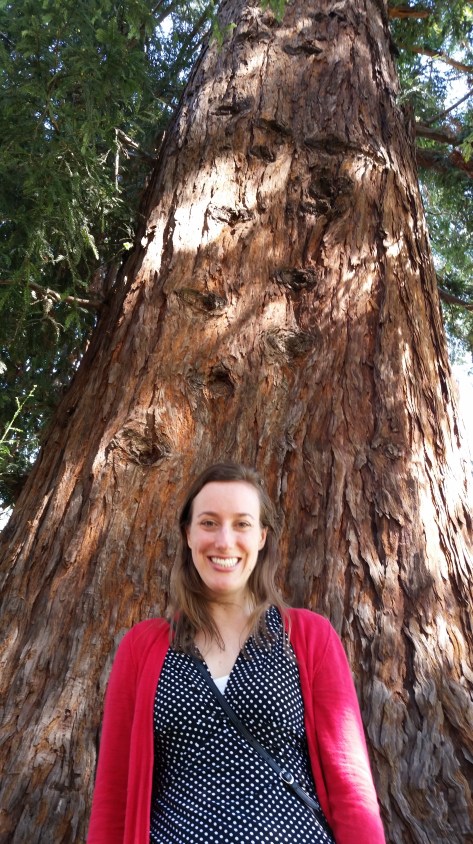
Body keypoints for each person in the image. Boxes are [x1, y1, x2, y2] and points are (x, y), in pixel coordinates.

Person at [87, 462, 386, 844]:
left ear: (261, 536)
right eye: (209, 523)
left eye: (242, 523)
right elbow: (113, 795)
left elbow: (351, 787)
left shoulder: (308, 636)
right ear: (188, 534)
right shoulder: (142, 648)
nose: (224, 541)